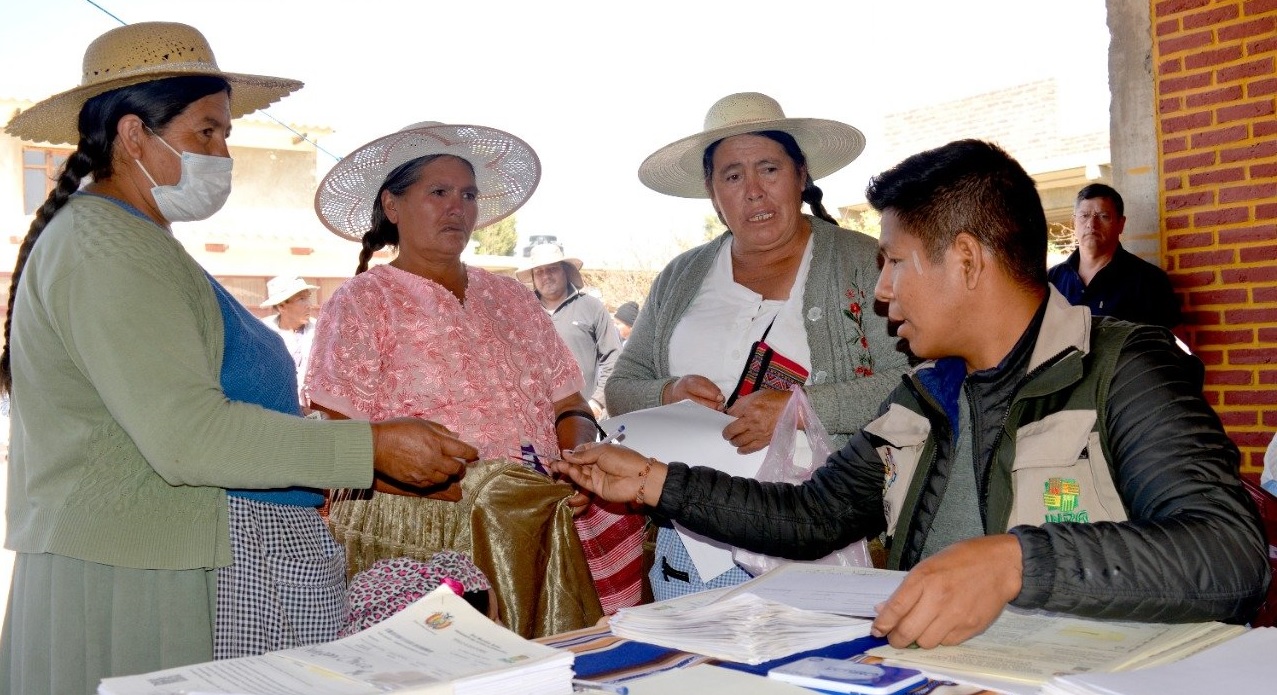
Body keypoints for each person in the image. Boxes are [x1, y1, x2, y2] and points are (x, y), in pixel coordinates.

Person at [555, 139, 1270, 649]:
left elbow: (1228, 552)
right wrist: (655, 482)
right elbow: (811, 514)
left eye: (894, 261)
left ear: (964, 260)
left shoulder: (1122, 366)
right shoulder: (925, 396)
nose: (880, 289)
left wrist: (1015, 560)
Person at [0, 23, 478, 694]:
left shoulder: (138, 243)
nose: (223, 153)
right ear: (135, 135)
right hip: (132, 581)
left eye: (224, 134)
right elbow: (186, 435)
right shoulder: (103, 245)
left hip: (163, 557)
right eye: (207, 133)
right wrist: (367, 449)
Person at [304, 122, 644, 632]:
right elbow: (333, 439)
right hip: (419, 534)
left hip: (533, 521)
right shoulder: (360, 303)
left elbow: (568, 403)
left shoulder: (510, 299)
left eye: (467, 194)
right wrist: (449, 484)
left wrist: (572, 466)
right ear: (393, 207)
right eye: (437, 192)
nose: (457, 207)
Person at [606, 92, 908, 599]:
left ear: (801, 174)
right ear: (712, 191)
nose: (752, 192)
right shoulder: (681, 276)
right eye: (731, 176)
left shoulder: (866, 263)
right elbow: (618, 390)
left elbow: (919, 384)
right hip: (692, 544)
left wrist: (802, 408)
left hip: (827, 538)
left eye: (768, 169)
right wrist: (667, 392)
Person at [1048, 183, 1182, 329]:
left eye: (1103, 216)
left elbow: (1170, 345)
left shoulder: (1149, 280)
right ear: (1074, 223)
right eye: (1084, 216)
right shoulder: (1051, 280)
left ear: (1121, 224)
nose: (1091, 224)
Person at [517, 244, 622, 419]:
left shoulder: (591, 307)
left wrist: (597, 403)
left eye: (552, 269)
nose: (546, 276)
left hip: (585, 416)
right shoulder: (522, 312)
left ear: (565, 271)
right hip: (537, 420)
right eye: (539, 271)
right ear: (533, 278)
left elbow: (614, 358)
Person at [260, 275, 319, 403]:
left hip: (314, 412)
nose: (309, 305)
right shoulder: (262, 332)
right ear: (281, 306)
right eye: (302, 299)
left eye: (308, 298)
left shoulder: (322, 331)